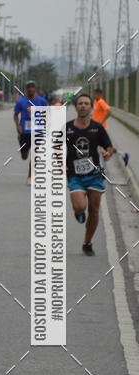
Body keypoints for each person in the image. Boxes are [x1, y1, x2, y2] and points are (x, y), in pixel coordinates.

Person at [66, 92, 115, 256]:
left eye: (86, 103)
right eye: (80, 103)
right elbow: (55, 148)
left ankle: (87, 243)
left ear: (91, 107)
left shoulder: (97, 128)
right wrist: (59, 164)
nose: (83, 106)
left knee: (94, 211)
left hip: (94, 175)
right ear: (76, 107)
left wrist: (108, 153)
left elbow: (109, 147)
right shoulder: (67, 128)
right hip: (75, 176)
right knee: (80, 207)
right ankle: (78, 212)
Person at [13, 80, 48, 184]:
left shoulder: (41, 101)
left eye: (33, 87)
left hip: (37, 131)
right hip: (24, 132)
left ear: (35, 88)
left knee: (35, 155)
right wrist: (17, 126)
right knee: (24, 157)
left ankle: (30, 176)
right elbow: (15, 115)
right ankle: (22, 148)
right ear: (26, 89)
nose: (31, 89)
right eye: (29, 87)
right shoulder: (21, 101)